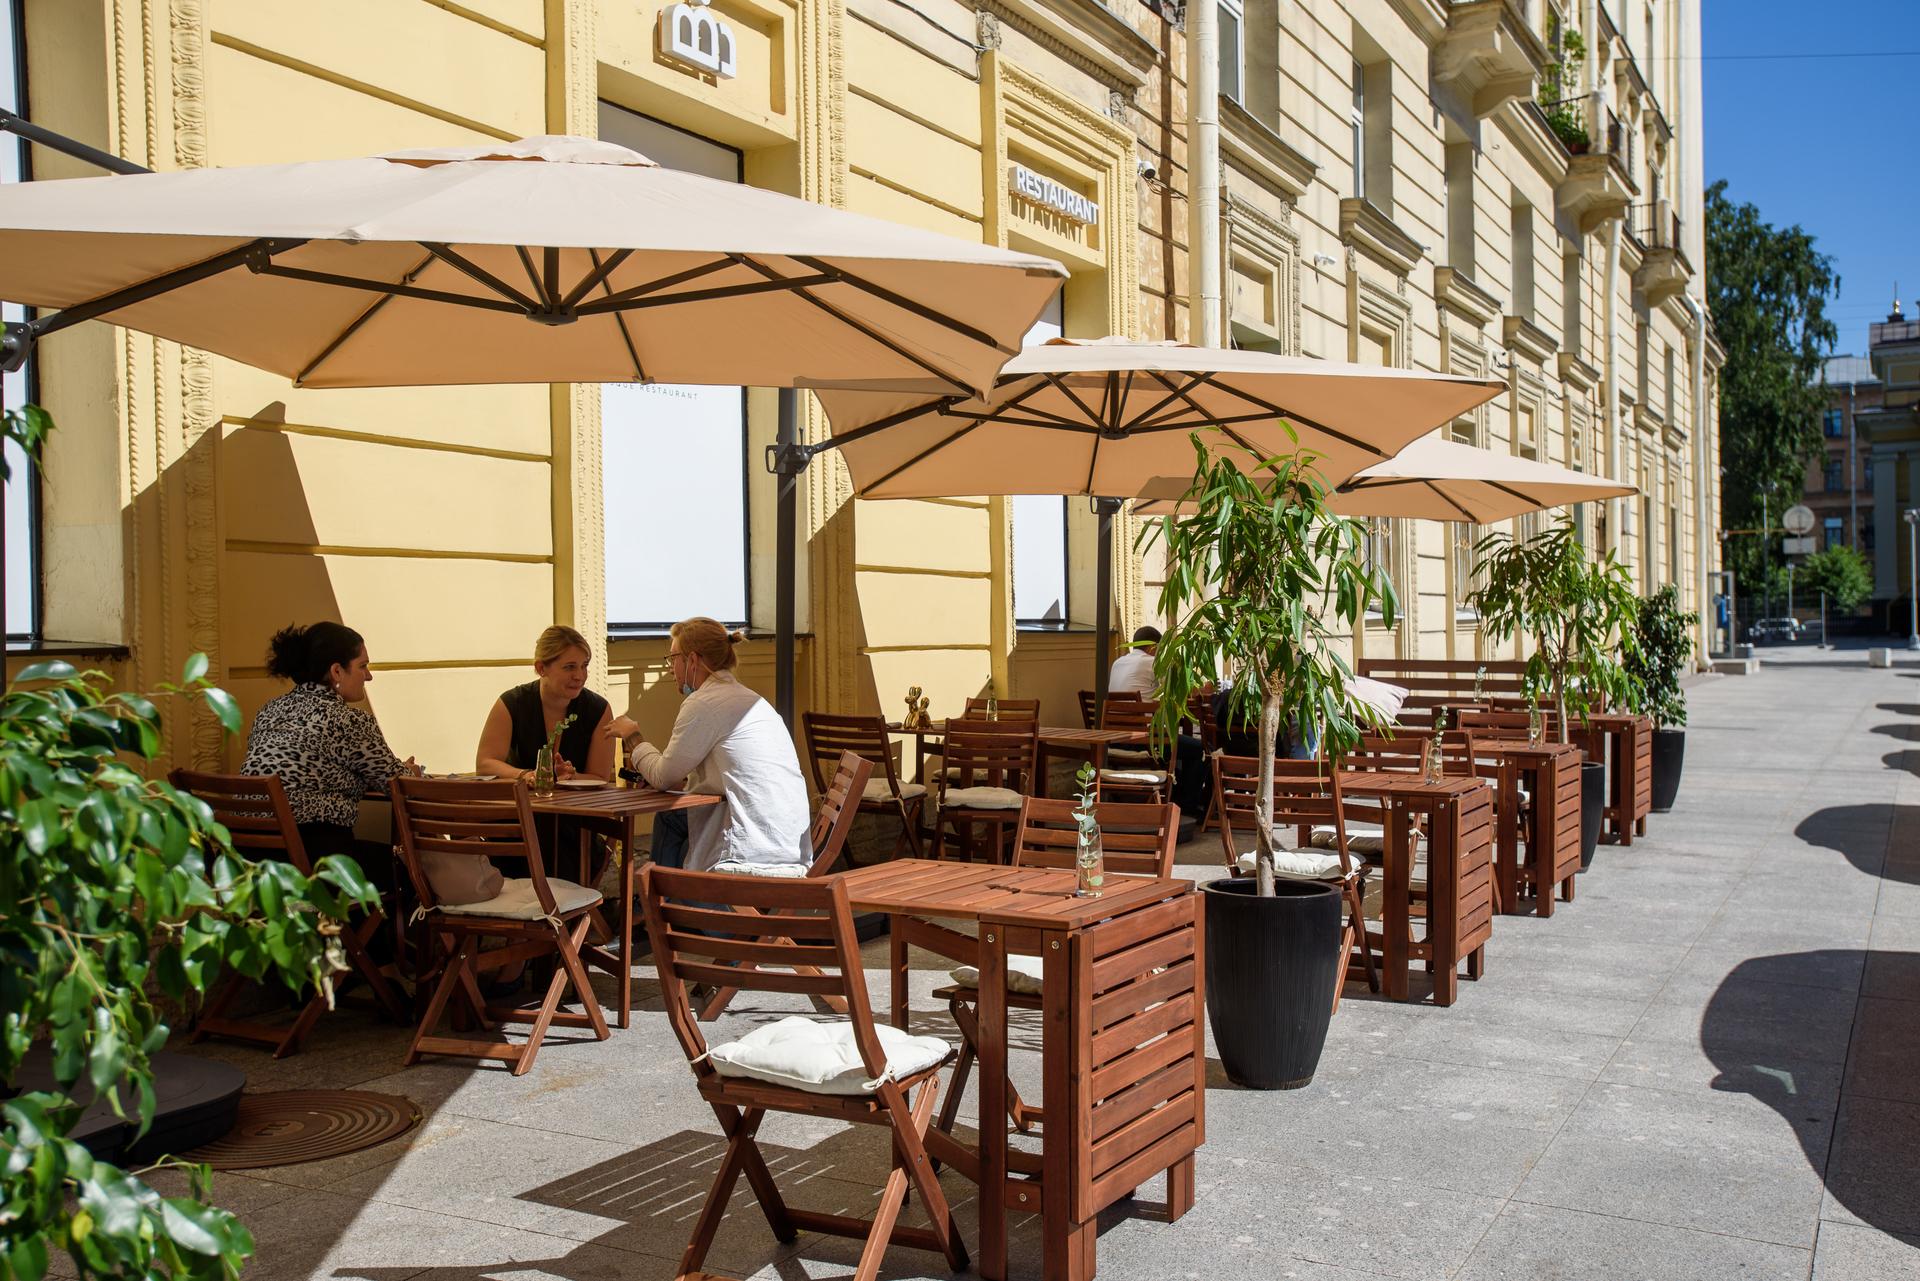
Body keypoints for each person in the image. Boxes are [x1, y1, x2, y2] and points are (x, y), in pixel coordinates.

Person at [604, 618, 810, 874]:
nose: (670, 669)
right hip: (787, 841)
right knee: (673, 819)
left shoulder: (703, 702)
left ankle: (664, 894)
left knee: (671, 819)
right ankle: (667, 893)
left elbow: (661, 777)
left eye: (672, 658)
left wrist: (632, 736)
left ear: (692, 660)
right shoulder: (750, 699)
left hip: (750, 848)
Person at [242, 621, 417, 888]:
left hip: (250, 863)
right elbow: (399, 784)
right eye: (362, 666)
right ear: (337, 671)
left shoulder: (269, 711)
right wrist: (410, 772)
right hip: (314, 865)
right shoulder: (347, 721)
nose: (368, 676)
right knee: (416, 869)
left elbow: (311, 768)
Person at [476, 626, 615, 783]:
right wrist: (525, 775)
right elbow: (485, 764)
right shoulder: (512, 703)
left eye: (584, 666)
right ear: (541, 668)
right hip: (521, 798)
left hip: (580, 799)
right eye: (569, 667)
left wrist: (572, 777)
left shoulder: (598, 709)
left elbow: (600, 778)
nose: (579, 676)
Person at [1109, 625, 1160, 695]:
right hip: (1139, 702)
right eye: (1160, 649)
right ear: (1153, 646)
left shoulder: (1117, 663)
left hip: (1112, 703)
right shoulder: (1152, 662)